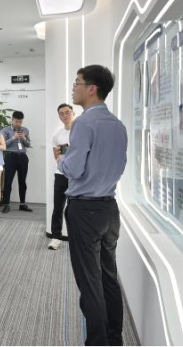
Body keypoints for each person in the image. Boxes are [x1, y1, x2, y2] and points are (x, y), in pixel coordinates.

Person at [57, 65, 127, 346]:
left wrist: (61, 159)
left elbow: (73, 169)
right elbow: (120, 165)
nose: (73, 88)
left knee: (90, 283)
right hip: (109, 208)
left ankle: (97, 342)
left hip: (85, 210)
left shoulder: (84, 123)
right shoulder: (117, 124)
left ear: (92, 89)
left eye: (77, 83)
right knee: (109, 276)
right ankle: (114, 338)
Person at [48, 103, 75, 250]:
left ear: (73, 113)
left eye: (67, 112)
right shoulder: (57, 135)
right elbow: (56, 157)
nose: (65, 115)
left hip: (77, 176)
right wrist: (61, 154)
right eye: (62, 113)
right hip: (61, 174)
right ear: (59, 116)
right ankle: (56, 237)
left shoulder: (81, 131)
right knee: (58, 207)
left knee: (74, 208)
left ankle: (75, 237)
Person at [1, 111, 33, 212]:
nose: (18, 124)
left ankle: (22, 204)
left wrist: (23, 138)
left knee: (22, 181)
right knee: (8, 181)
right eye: (16, 121)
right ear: (12, 120)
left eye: (20, 122)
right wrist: (13, 137)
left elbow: (28, 144)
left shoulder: (25, 130)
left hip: (23, 157)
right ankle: (6, 204)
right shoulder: (5, 130)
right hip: (10, 156)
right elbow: (3, 145)